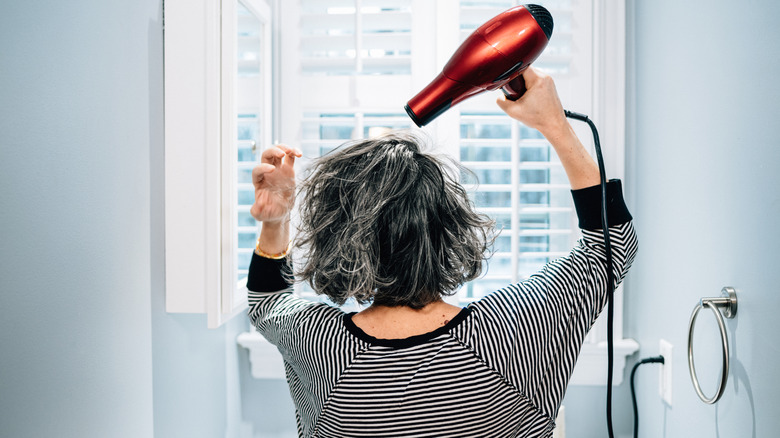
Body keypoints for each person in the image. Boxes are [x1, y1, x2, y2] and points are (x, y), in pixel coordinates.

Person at [247, 67, 638, 438]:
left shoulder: (320, 346)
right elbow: (612, 246)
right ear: (449, 226)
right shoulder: (513, 333)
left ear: (336, 239)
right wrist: (554, 123)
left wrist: (277, 216)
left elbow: (265, 304)